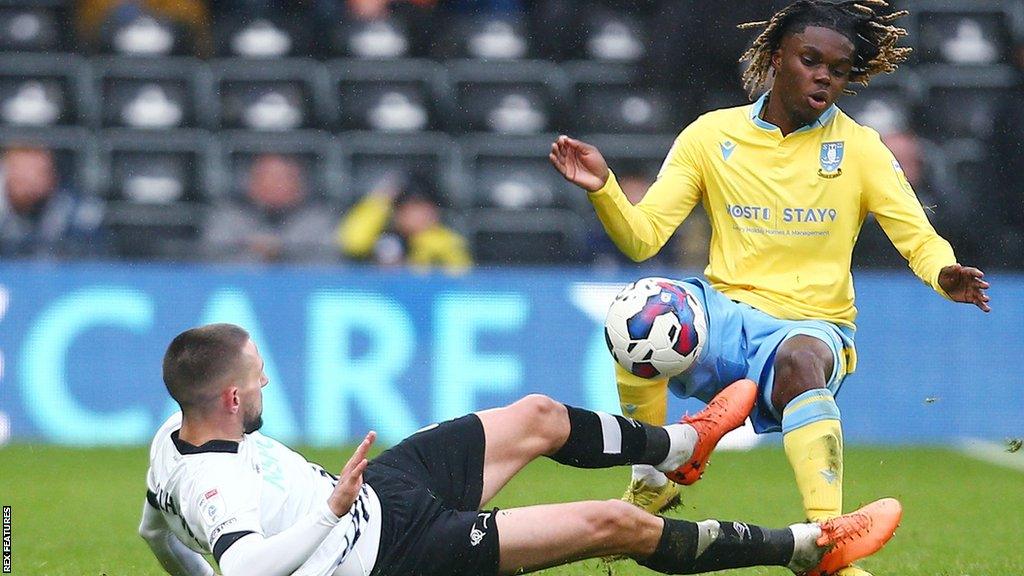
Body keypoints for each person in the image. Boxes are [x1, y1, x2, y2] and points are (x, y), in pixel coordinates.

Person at [549, 3, 990, 576]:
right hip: (722, 314)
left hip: (811, 328)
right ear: (776, 57)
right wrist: (605, 187)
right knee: (640, 310)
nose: (825, 76)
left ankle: (827, 541)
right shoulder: (712, 135)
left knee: (803, 359)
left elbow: (919, 238)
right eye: (811, 60)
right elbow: (642, 238)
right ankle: (651, 480)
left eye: (839, 67)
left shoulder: (860, 149)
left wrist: (944, 273)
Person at [139, 323, 902, 576]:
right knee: (612, 523)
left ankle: (680, 444)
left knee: (537, 415)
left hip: (382, 493)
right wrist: (329, 511)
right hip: (390, 553)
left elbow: (153, 532)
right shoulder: (218, 485)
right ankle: (809, 548)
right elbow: (241, 568)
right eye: (257, 375)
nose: (267, 378)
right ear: (233, 399)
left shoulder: (166, 449)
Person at [204, 153, 338, 263]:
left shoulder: (318, 220)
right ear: (250, 183)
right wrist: (254, 254)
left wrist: (282, 251)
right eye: (266, 178)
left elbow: (331, 267)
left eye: (283, 179)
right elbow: (210, 263)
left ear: (299, 184)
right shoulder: (229, 217)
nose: (274, 185)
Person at [337, 173, 471, 272]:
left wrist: (423, 243)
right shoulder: (380, 232)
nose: (422, 215)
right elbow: (352, 242)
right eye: (415, 207)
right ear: (399, 209)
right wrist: (379, 201)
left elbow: (461, 276)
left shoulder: (444, 241)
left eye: (428, 208)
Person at [0, 145, 105, 258]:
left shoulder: (73, 210)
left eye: (37, 175)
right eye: (21, 179)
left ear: (52, 176)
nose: (29, 187)